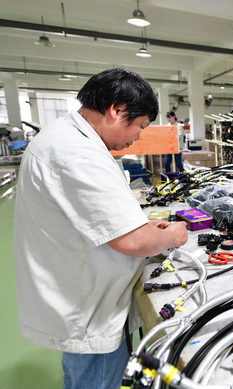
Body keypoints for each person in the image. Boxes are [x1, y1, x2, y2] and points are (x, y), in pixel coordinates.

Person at [13, 68, 189, 389]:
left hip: (84, 292)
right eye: (139, 126)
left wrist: (144, 225)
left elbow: (91, 215)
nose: (137, 136)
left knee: (82, 376)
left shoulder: (68, 138)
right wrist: (171, 235)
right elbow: (134, 241)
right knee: (97, 379)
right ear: (117, 109)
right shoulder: (77, 153)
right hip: (91, 306)